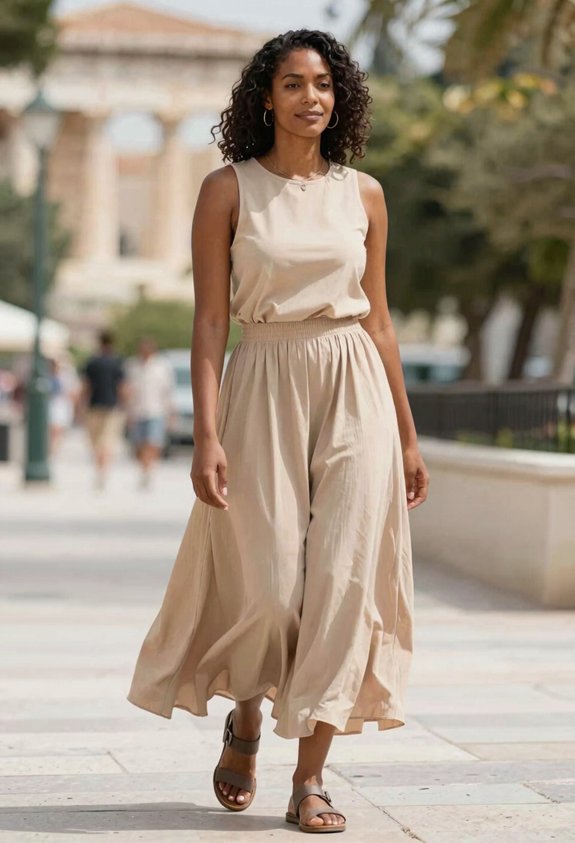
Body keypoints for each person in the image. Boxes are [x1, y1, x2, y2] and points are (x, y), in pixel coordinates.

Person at [127, 29, 429, 834]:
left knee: (341, 583)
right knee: (264, 589)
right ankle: (248, 715)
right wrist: (205, 433)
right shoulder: (227, 189)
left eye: (323, 83)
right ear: (264, 98)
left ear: (341, 97)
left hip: (352, 385)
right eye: (292, 84)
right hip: (261, 380)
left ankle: (310, 778)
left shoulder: (363, 193)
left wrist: (405, 434)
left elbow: (383, 322)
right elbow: (209, 323)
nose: (310, 98)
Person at [125, 337, 175, 489]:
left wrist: (171, 412)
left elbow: (167, 391)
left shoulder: (162, 367)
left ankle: (149, 470)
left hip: (156, 410)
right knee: (139, 444)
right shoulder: (132, 366)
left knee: (153, 442)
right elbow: (127, 390)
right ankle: (144, 468)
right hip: (137, 411)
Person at [81, 330, 126, 490]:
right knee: (107, 441)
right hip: (111, 407)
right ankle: (103, 471)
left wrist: (80, 406)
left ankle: (100, 470)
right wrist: (125, 404)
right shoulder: (117, 362)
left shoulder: (92, 362)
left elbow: (85, 386)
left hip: (94, 406)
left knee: (96, 441)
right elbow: (122, 386)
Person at [47, 356, 80, 455]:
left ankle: (53, 449)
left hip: (61, 404)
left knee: (58, 429)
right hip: (51, 404)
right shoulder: (47, 376)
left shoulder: (65, 377)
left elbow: (72, 392)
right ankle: (51, 448)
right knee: (52, 428)